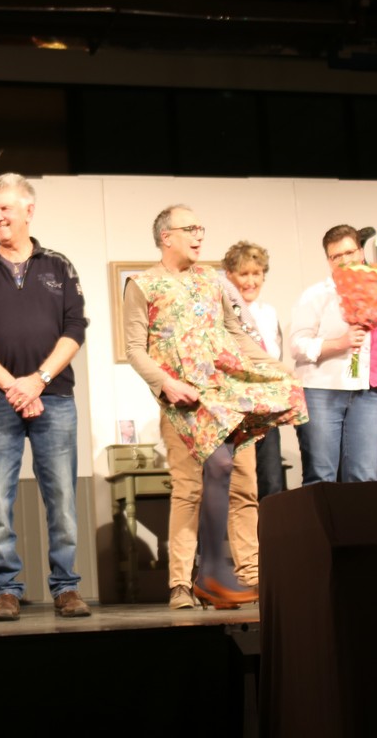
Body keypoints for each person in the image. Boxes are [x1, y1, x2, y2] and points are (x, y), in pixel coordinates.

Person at [125, 209, 305, 609]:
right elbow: (135, 349)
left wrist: (276, 370)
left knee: (244, 488)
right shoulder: (142, 284)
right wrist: (166, 383)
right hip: (183, 405)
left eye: (200, 228)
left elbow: (235, 334)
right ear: (166, 237)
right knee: (189, 491)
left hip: (228, 400)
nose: (199, 235)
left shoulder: (212, 280)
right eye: (190, 229)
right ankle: (181, 584)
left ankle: (250, 575)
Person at [0, 173, 91, 621]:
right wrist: (14, 386)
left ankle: (66, 587)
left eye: (5, 209)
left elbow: (75, 328)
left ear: (28, 211)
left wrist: (38, 380)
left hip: (55, 397)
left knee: (62, 499)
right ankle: (6, 590)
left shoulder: (59, 266)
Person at [289, 224, 377, 484]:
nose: (344, 261)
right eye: (336, 256)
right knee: (321, 475)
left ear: (361, 252)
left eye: (349, 253)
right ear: (329, 261)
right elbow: (297, 345)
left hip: (366, 392)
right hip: (321, 390)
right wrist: (340, 343)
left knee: (365, 477)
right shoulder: (315, 295)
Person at [222, 240, 288, 498]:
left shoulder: (268, 313)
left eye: (256, 273)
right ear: (229, 276)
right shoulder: (220, 313)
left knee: (271, 480)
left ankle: (270, 527)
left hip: (266, 407)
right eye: (244, 274)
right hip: (234, 408)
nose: (251, 281)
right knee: (239, 484)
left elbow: (276, 357)